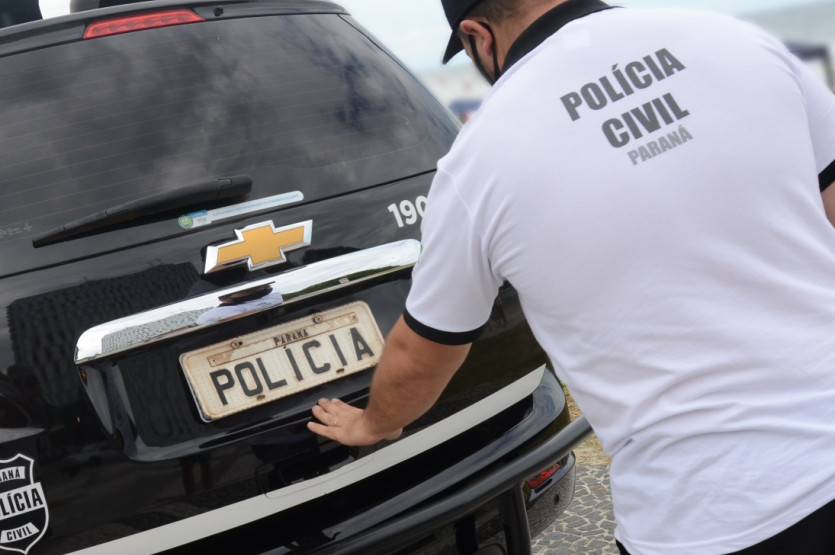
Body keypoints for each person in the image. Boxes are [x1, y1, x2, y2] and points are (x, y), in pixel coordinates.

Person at [308, 0, 835, 553]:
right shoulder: (734, 41)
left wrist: (374, 424)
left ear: (477, 37)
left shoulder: (478, 160)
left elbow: (424, 352)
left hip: (710, 517)